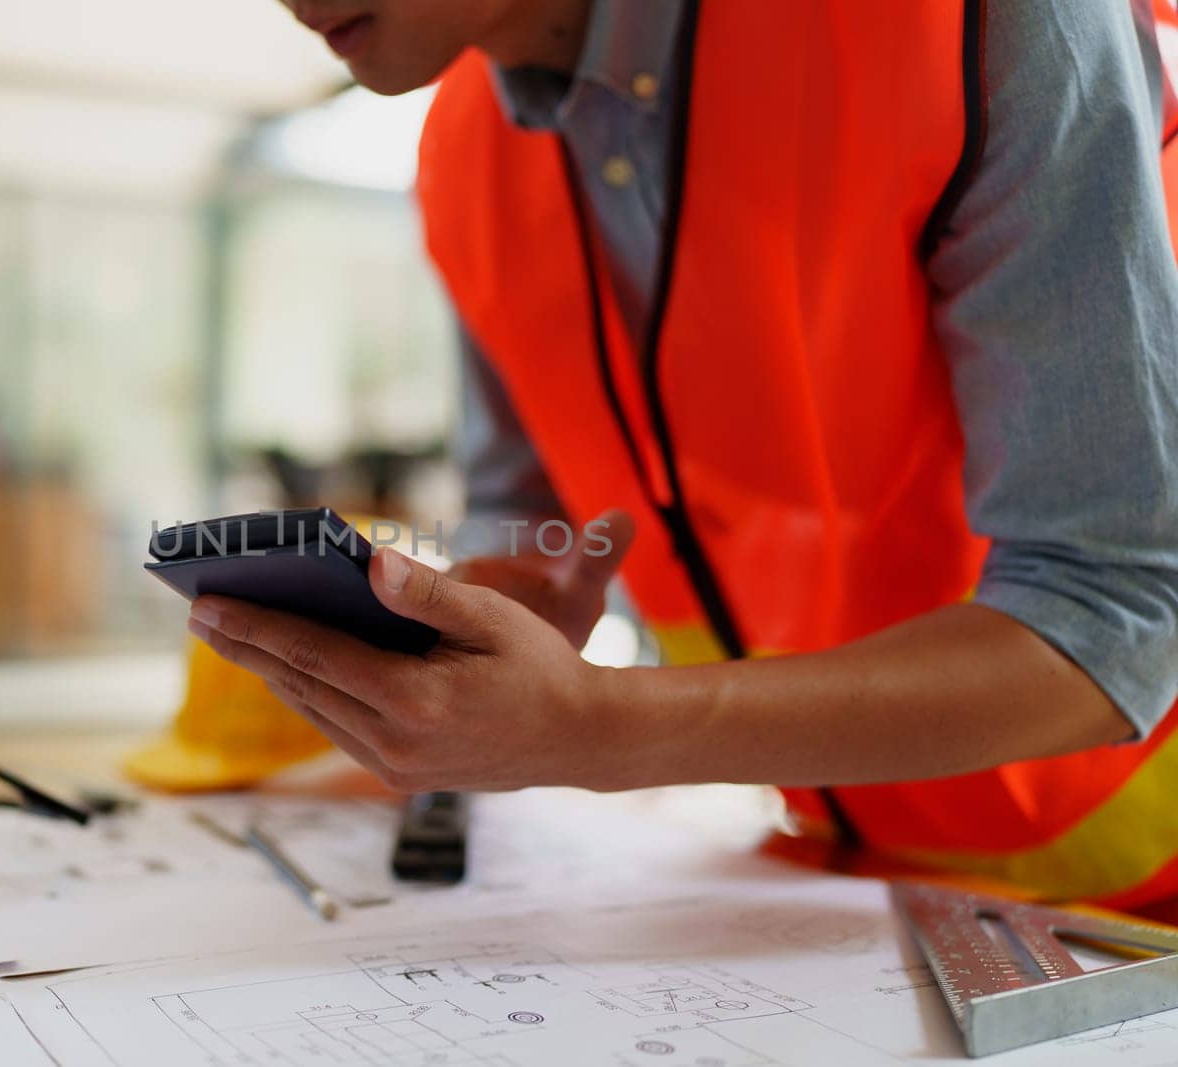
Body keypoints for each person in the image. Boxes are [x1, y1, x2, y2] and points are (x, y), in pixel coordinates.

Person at [187, 0, 1178, 910]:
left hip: (1146, 897)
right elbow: (519, 509)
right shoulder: (461, 151)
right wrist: (486, 611)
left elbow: (1113, 611)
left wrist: (598, 725)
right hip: (858, 891)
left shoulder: (984, 17)